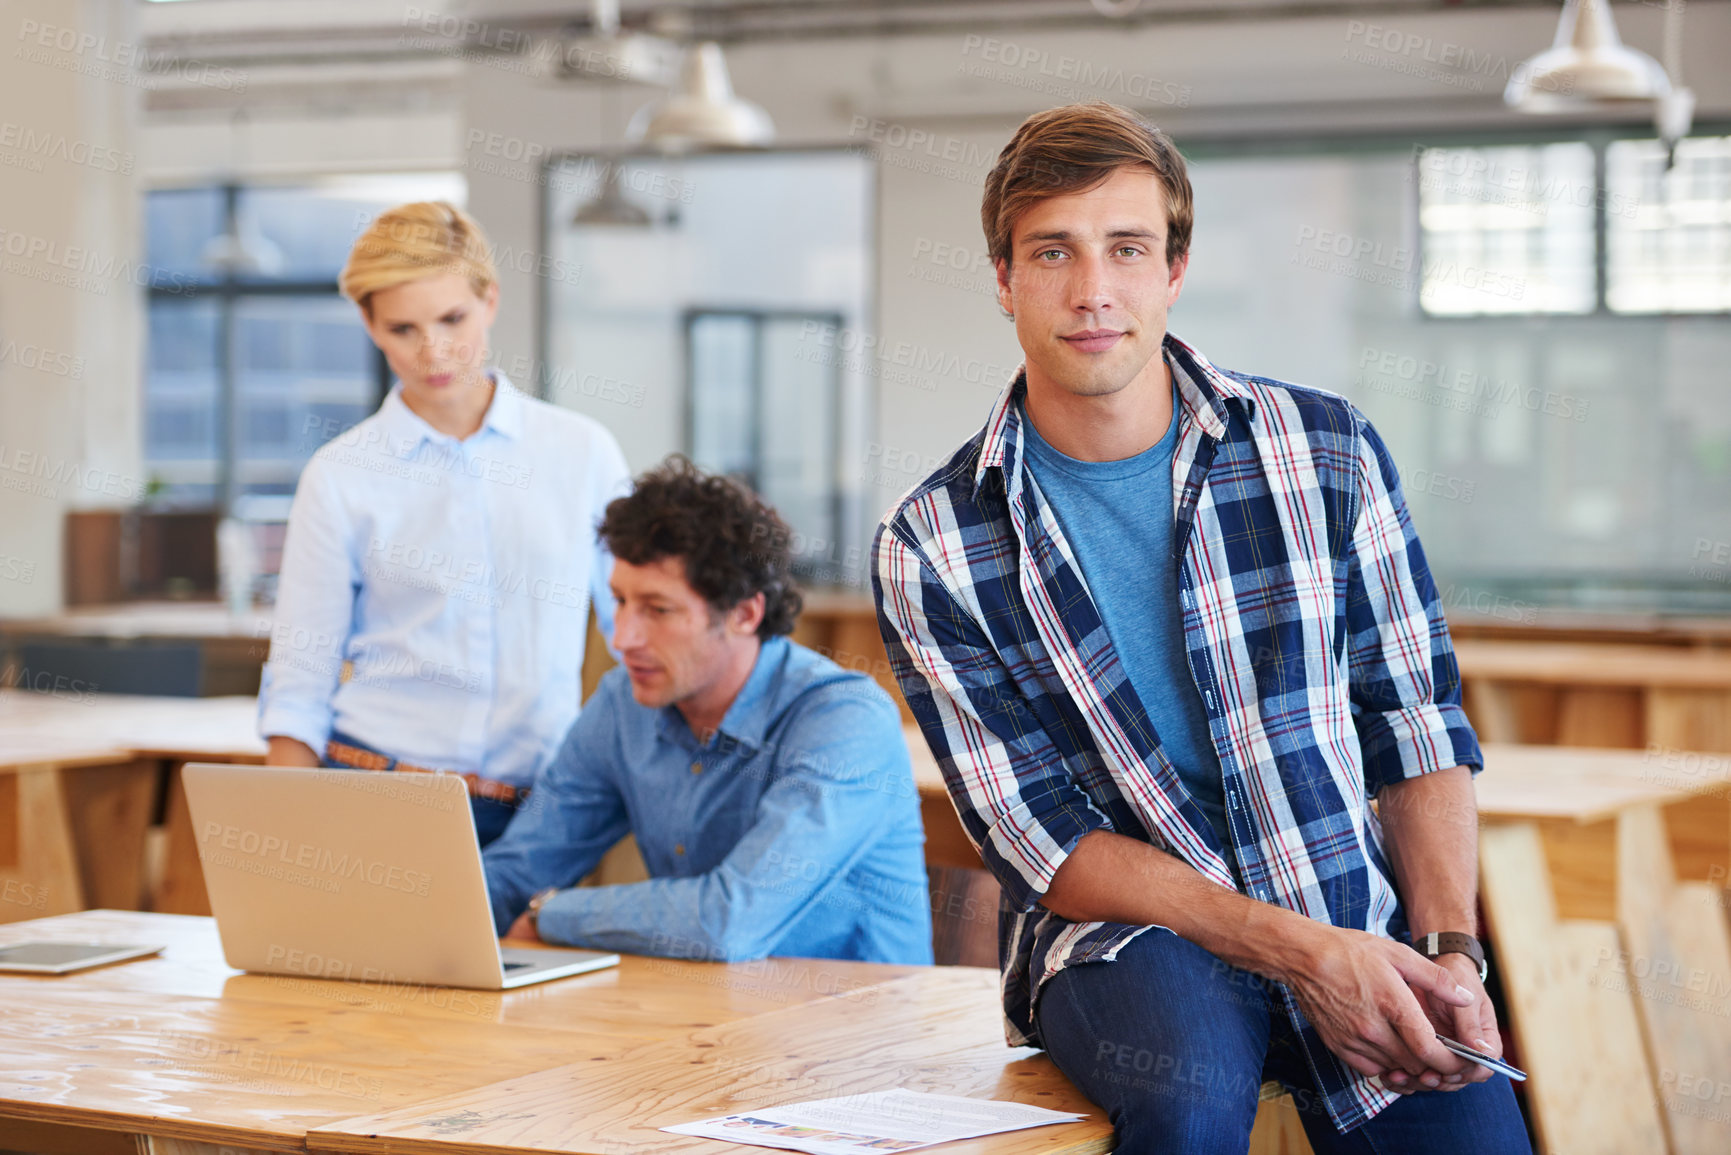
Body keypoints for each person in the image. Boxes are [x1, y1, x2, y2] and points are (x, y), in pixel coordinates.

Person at [872, 103, 1531, 1153]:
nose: (1093, 291)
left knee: (1475, 1132)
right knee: (1187, 1096)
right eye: (1053, 253)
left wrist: (1448, 951)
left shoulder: (1327, 452)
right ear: (1003, 278)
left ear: (1174, 269)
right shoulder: (935, 543)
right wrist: (1307, 957)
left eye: (1126, 249)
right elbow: (1040, 840)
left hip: (1343, 900)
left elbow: (1412, 721)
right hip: (1127, 943)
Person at [259, 202, 630, 847]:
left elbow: (638, 630)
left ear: (489, 300)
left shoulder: (582, 452)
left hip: (542, 815)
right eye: (403, 328)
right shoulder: (341, 474)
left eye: (452, 318)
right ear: (369, 324)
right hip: (373, 789)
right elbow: (301, 675)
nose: (433, 351)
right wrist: (284, 845)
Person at [484, 458, 933, 965]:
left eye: (658, 609)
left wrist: (552, 914)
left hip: (860, 1030)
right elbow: (518, 873)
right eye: (620, 602)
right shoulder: (621, 703)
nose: (622, 637)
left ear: (744, 613)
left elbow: (730, 920)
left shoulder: (846, 720)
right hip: (698, 1017)